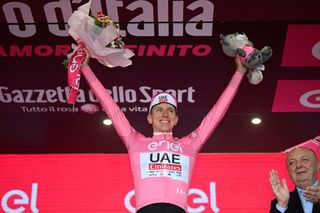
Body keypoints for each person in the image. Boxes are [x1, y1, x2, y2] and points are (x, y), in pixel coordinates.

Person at [80, 52, 247, 213]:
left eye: (170, 111)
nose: (165, 114)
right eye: (158, 110)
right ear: (150, 118)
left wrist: (239, 72)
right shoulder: (135, 140)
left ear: (175, 120)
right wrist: (85, 68)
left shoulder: (189, 144)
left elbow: (216, 114)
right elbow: (111, 107)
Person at [269, 147, 320, 213]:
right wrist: (282, 206)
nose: (298, 165)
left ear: (318, 165)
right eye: (292, 163)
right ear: (288, 172)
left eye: (304, 160)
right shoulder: (279, 203)